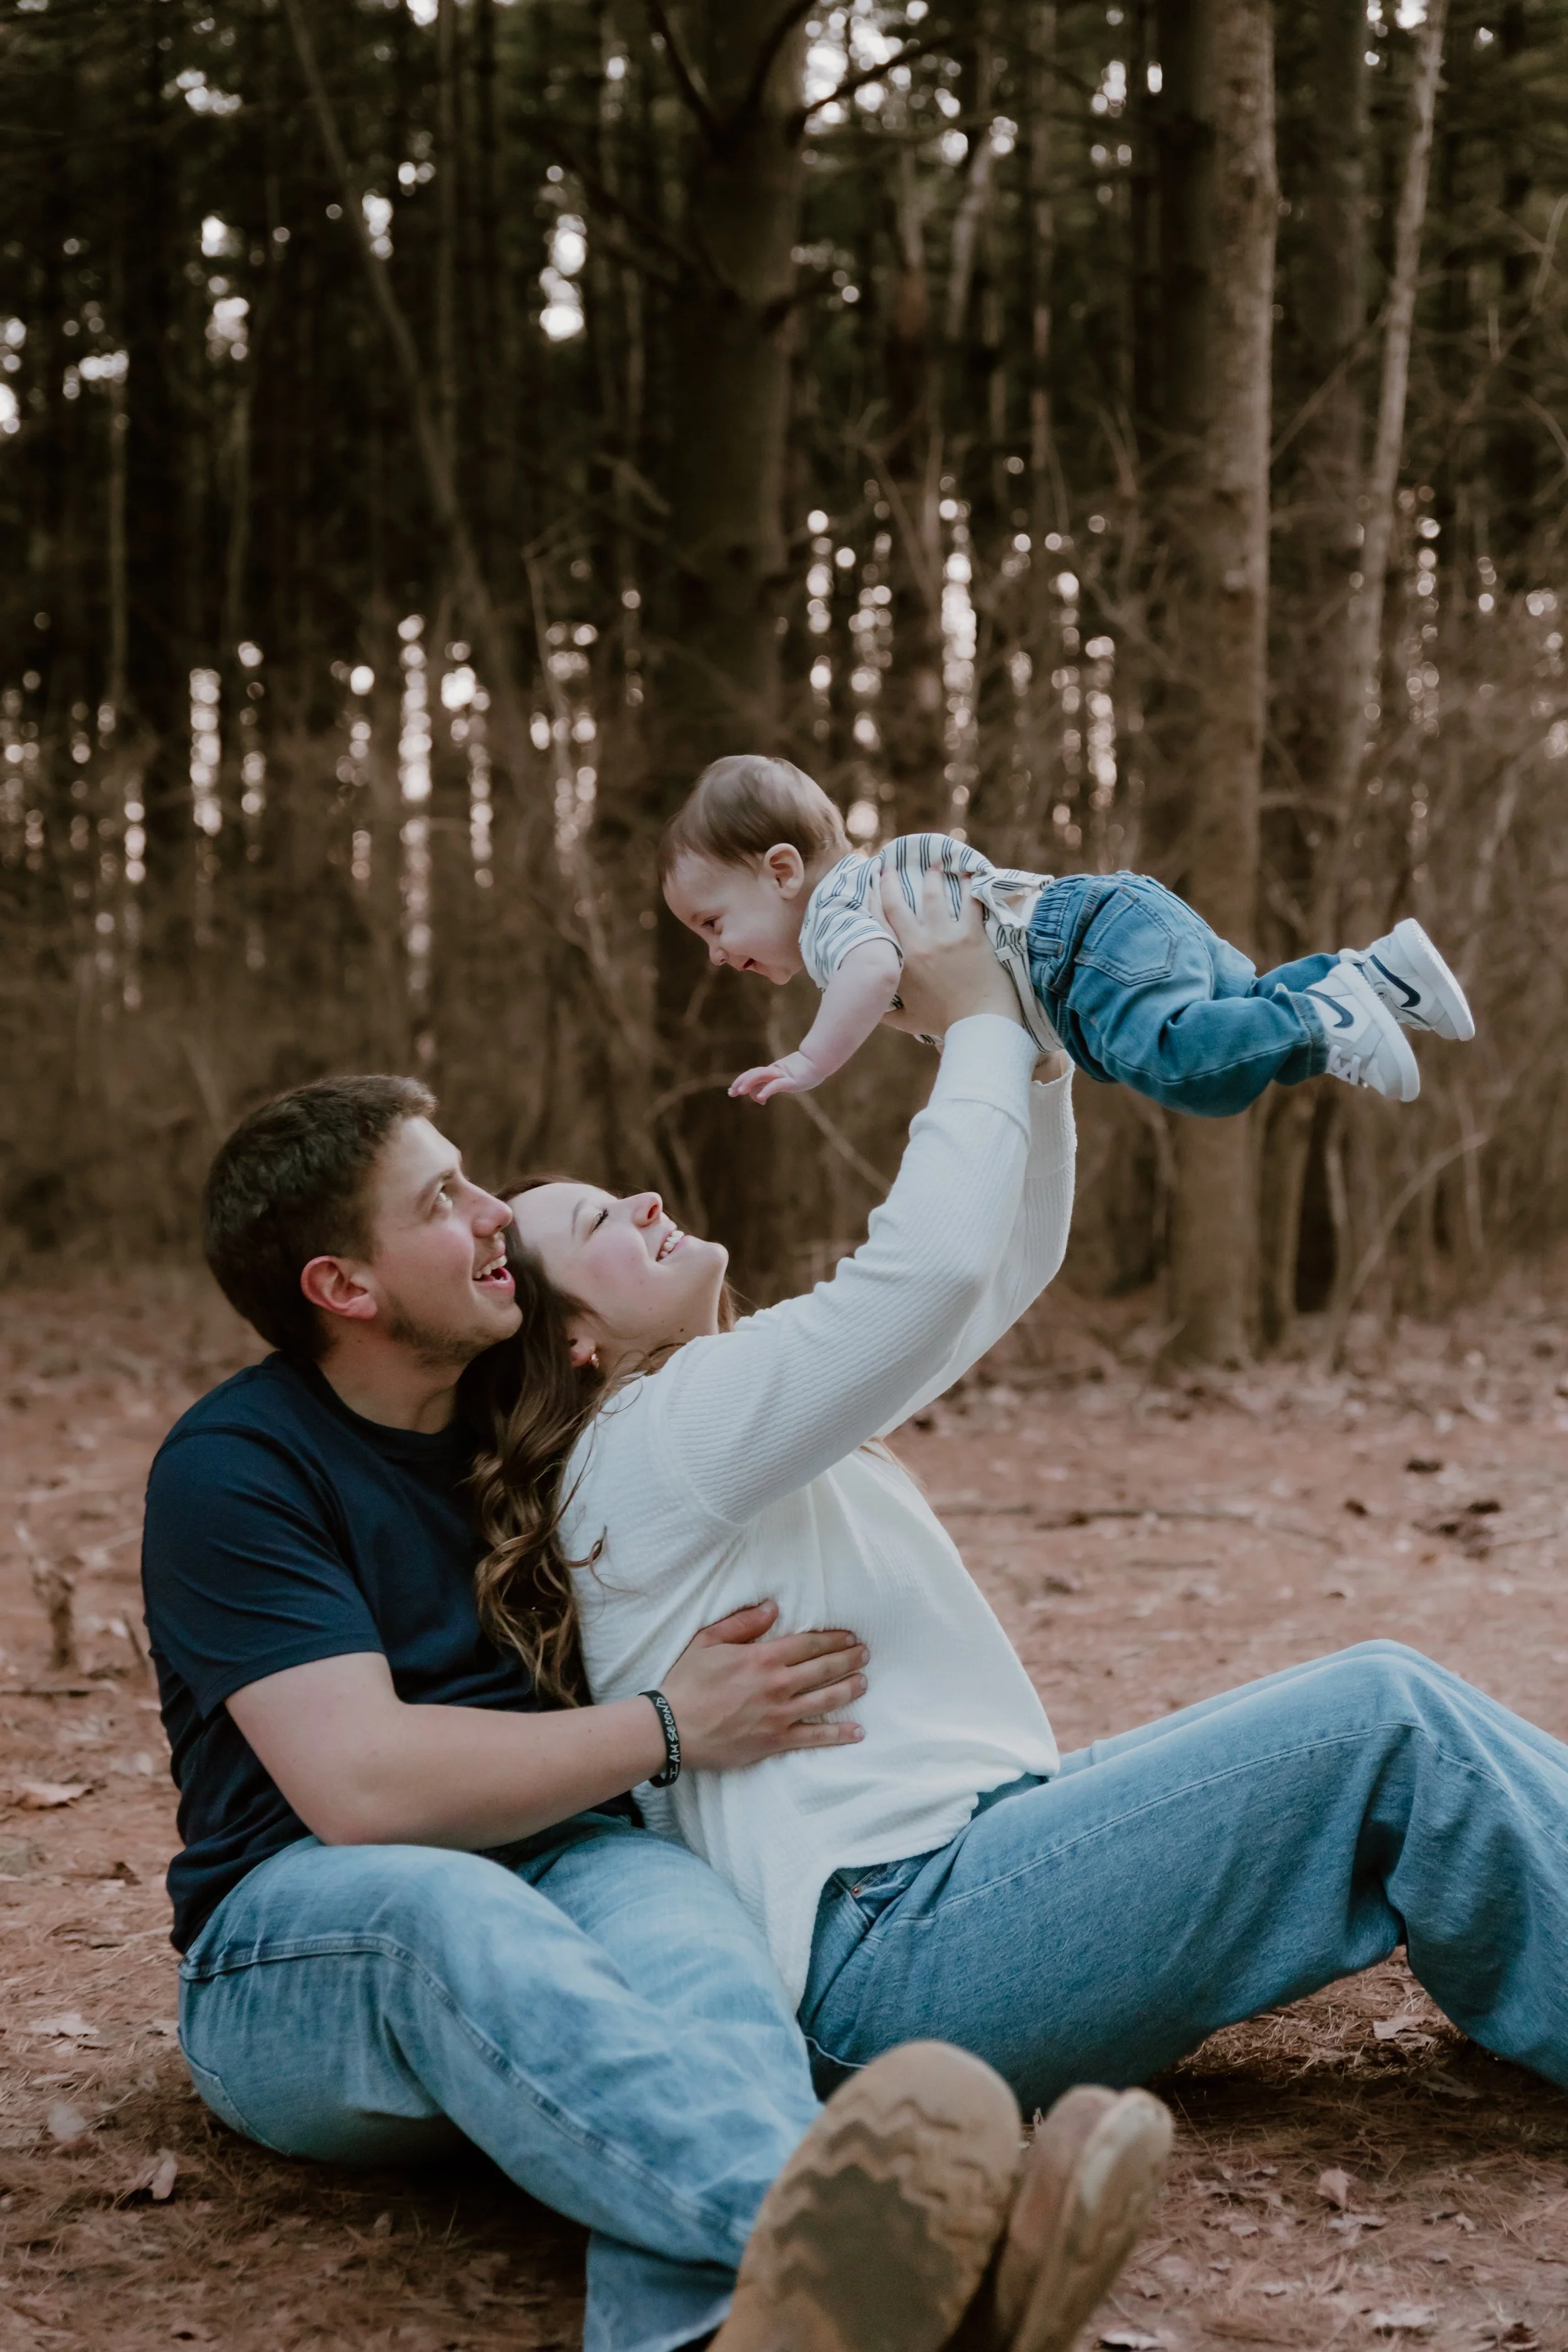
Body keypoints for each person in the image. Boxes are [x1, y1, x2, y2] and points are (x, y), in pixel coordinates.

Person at [490, 868, 1568, 2144]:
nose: (645, 1199)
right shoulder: (648, 1442)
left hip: (960, 1887)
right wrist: (980, 1030)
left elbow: (989, 1273)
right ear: (570, 1346)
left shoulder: (707, 1424)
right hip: (892, 1961)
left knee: (1380, 1714)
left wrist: (1027, 1044)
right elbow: (924, 1271)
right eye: (599, 1222)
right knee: (1384, 1721)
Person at [140, 1055, 1170, 2352]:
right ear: (343, 1289)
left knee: (700, 1959)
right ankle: (924, 2279)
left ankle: (730, 2331)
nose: (489, 1214)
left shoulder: (523, 1423)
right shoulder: (235, 1470)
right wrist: (669, 1728)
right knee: (437, 1909)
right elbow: (361, 1790)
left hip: (571, 1858)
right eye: (443, 1199)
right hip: (299, 1941)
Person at [658, 753, 1474, 1111]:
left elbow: (870, 975)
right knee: (1236, 1006)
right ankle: (1378, 978)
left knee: (1184, 1066)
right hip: (1110, 919)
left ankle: (1323, 1021)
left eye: (713, 922)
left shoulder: (838, 916)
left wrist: (808, 1060)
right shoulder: (880, 884)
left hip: (1082, 952)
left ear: (781, 871)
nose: (716, 954)